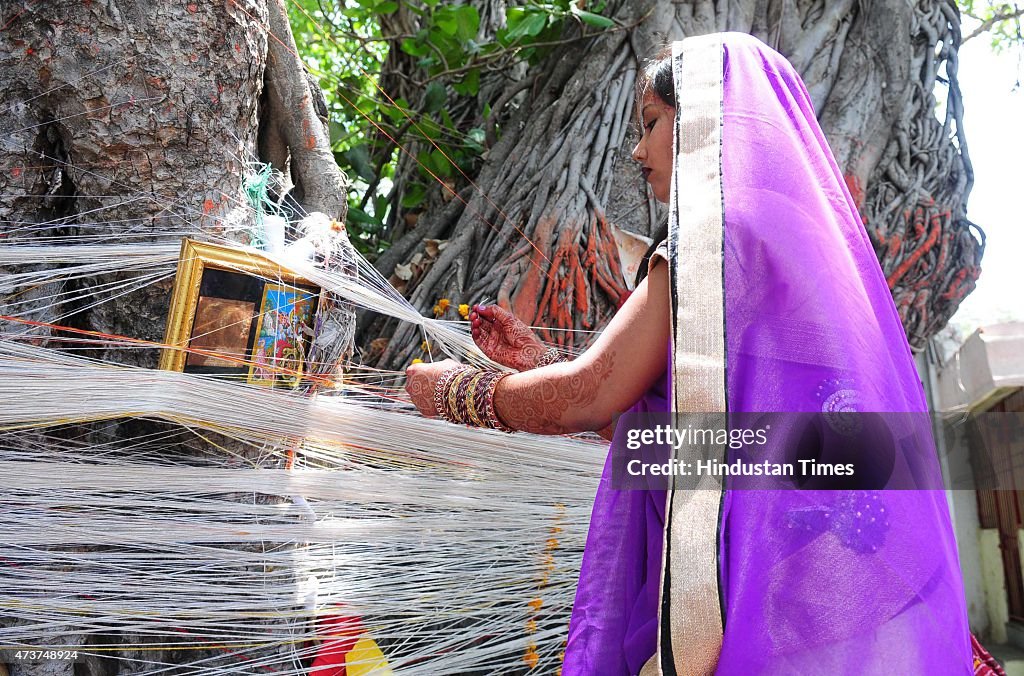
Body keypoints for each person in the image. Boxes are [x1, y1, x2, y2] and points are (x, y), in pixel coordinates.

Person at [406, 33, 991, 674]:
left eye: (652, 123)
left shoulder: (717, 239)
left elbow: (585, 398)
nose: (637, 151)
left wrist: (455, 391)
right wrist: (538, 367)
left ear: (709, 115)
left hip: (756, 597)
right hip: (848, 592)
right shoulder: (821, 255)